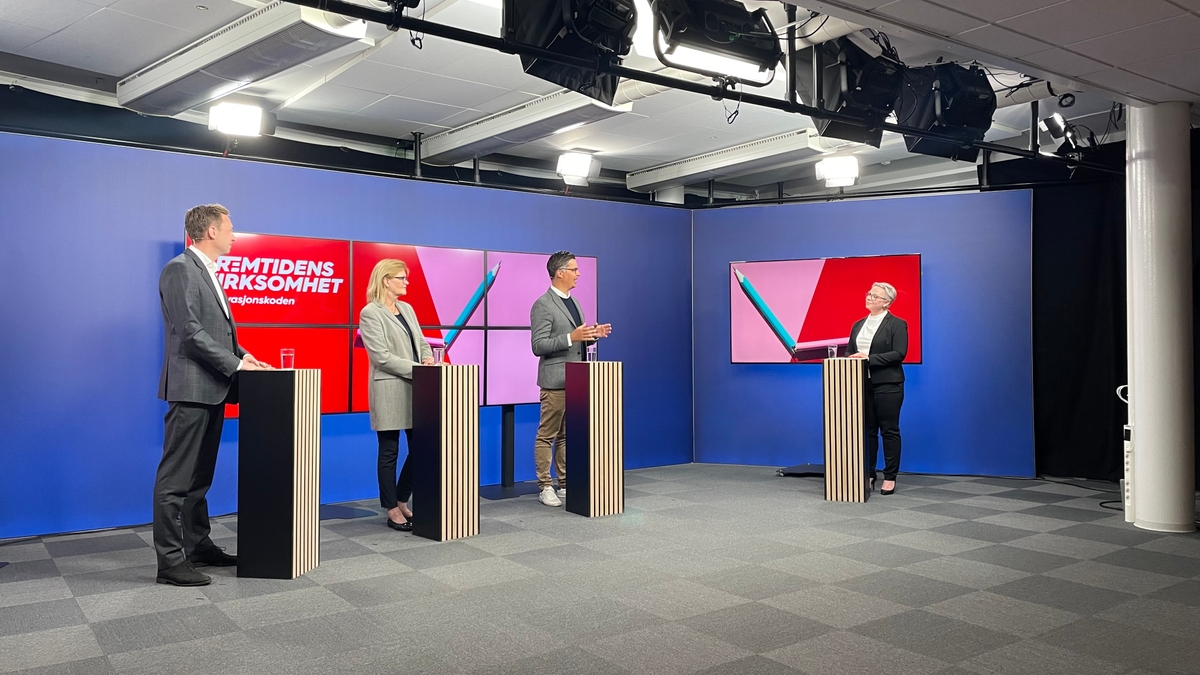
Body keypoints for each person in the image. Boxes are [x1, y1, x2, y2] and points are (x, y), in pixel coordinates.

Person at [154, 204, 271, 587]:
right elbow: (190, 332)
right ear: (211, 231)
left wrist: (244, 357)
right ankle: (170, 562)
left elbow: (217, 333)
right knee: (175, 480)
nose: (234, 235)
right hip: (191, 389)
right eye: (229, 228)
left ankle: (198, 546)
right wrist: (235, 366)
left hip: (213, 389)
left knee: (199, 479)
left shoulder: (207, 271)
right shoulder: (180, 269)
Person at [530, 251, 611, 506]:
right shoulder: (543, 304)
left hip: (576, 380)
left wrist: (591, 335)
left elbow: (578, 341)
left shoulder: (574, 303)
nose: (578, 274)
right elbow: (538, 345)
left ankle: (564, 483)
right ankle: (545, 486)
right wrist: (570, 338)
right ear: (560, 272)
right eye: (574, 269)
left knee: (566, 435)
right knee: (547, 434)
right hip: (555, 381)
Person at [358, 259, 434, 532]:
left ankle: (402, 499)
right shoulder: (370, 313)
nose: (406, 282)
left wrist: (427, 358)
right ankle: (391, 508)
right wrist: (418, 369)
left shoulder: (407, 308)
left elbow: (421, 341)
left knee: (421, 448)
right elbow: (381, 357)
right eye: (401, 278)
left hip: (416, 388)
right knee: (389, 450)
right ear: (386, 280)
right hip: (389, 388)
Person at [848, 282, 908, 495]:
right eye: (869, 294)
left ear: (887, 303)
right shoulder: (858, 324)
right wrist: (851, 359)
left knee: (889, 431)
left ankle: (890, 476)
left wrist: (868, 359)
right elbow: (849, 352)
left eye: (875, 296)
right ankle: (869, 473)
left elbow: (899, 354)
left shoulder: (897, 324)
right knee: (868, 432)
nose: (869, 298)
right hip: (862, 384)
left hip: (888, 385)